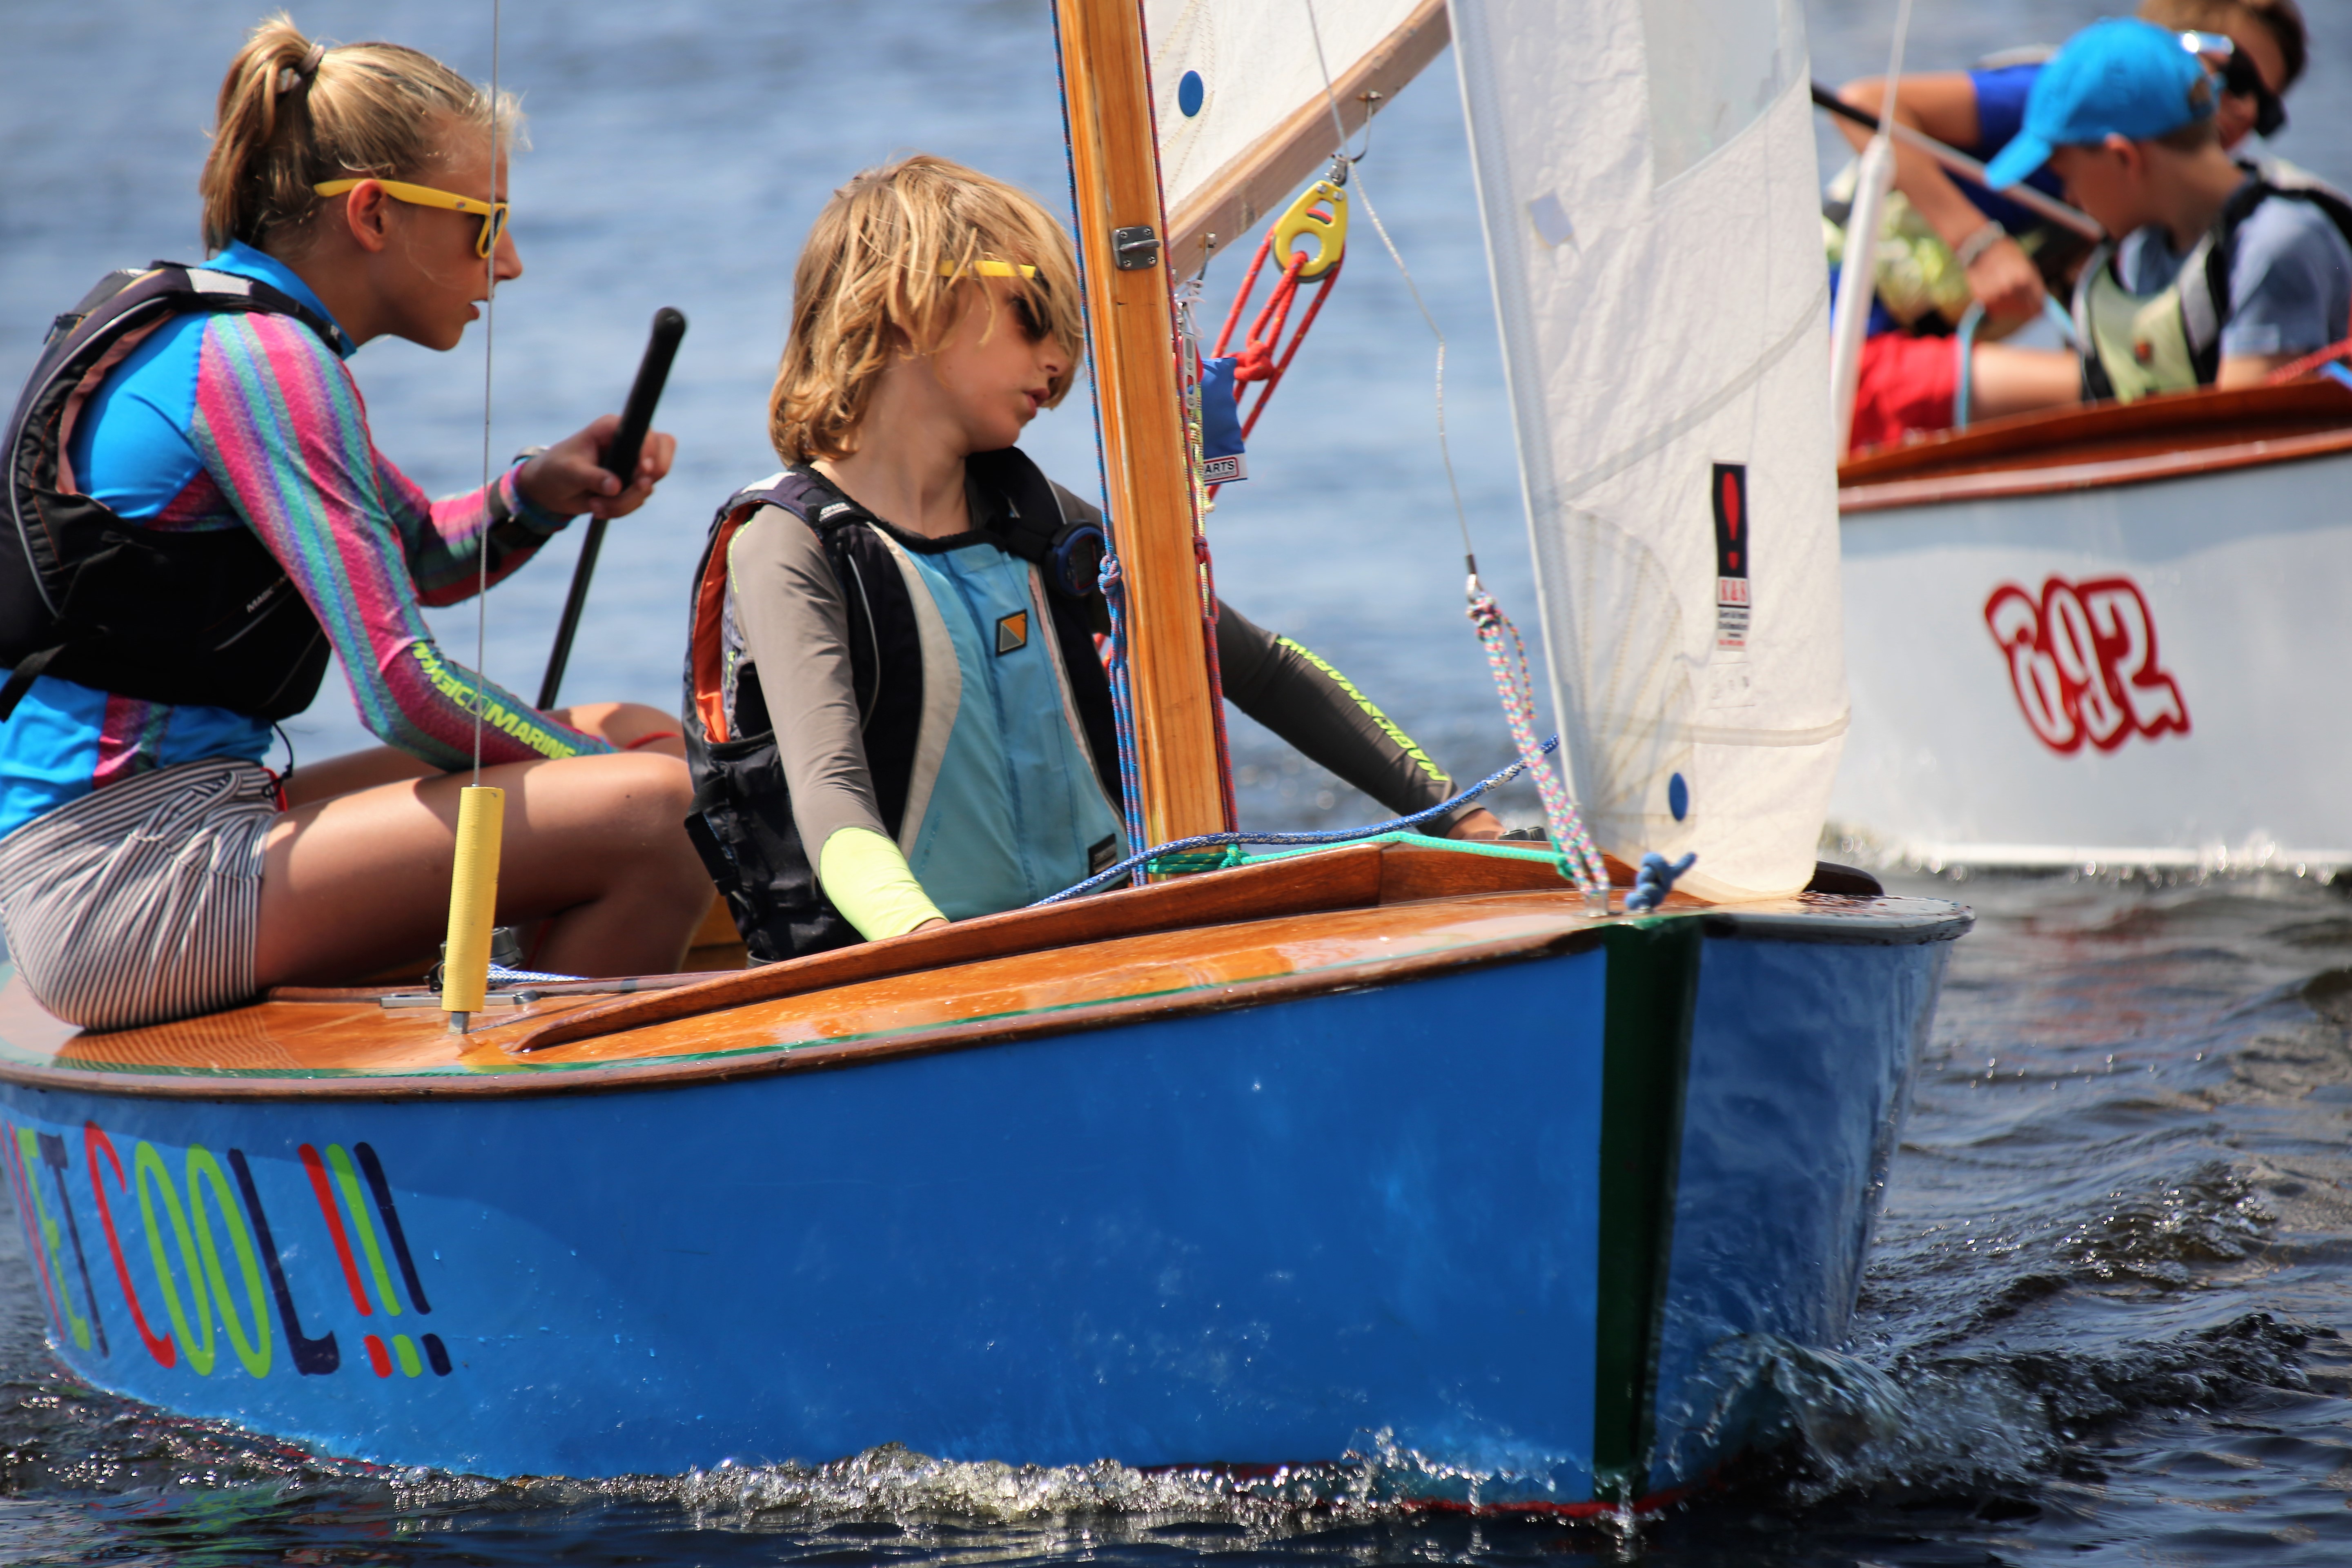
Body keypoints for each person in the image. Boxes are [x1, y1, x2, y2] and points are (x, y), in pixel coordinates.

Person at [0, 19, 715, 1030]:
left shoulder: (234, 339)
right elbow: (401, 692)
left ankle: (525, 1012)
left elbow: (418, 553)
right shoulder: (266, 362)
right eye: (484, 222)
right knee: (663, 810)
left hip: (179, 836)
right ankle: (521, 1126)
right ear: (374, 213)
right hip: (123, 882)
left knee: (640, 735)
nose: (507, 263)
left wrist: (540, 492)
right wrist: (603, 785)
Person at [684, 155, 1501, 963]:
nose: (1061, 362)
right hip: (911, 980)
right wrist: (928, 950)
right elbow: (834, 807)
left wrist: (1463, 821)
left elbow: (1266, 673)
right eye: (1034, 314)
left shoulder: (1040, 522)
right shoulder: (790, 547)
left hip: (1089, 950)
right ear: (911, 303)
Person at [1833, 0, 2310, 446]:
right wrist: (1977, 243)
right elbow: (1866, 105)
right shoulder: (2069, 103)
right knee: (2130, 383)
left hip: (1912, 356)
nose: (2244, 111)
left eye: (2267, 108)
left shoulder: (2229, 223)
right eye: (2236, 78)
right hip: (1842, 356)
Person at [1981, 16, 2351, 400]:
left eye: (2066, 176)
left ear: (2123, 158)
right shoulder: (2143, 254)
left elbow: (2250, 437)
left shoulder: (2276, 244)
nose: (2070, 198)